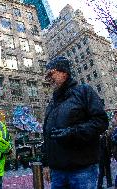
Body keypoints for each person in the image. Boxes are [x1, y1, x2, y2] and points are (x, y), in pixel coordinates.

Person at [42, 56, 108, 189]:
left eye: (51, 73)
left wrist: (73, 132)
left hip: (82, 171)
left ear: (64, 72)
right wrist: (46, 163)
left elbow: (101, 122)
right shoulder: (52, 103)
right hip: (58, 173)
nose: (47, 78)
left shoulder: (84, 91)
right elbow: (47, 135)